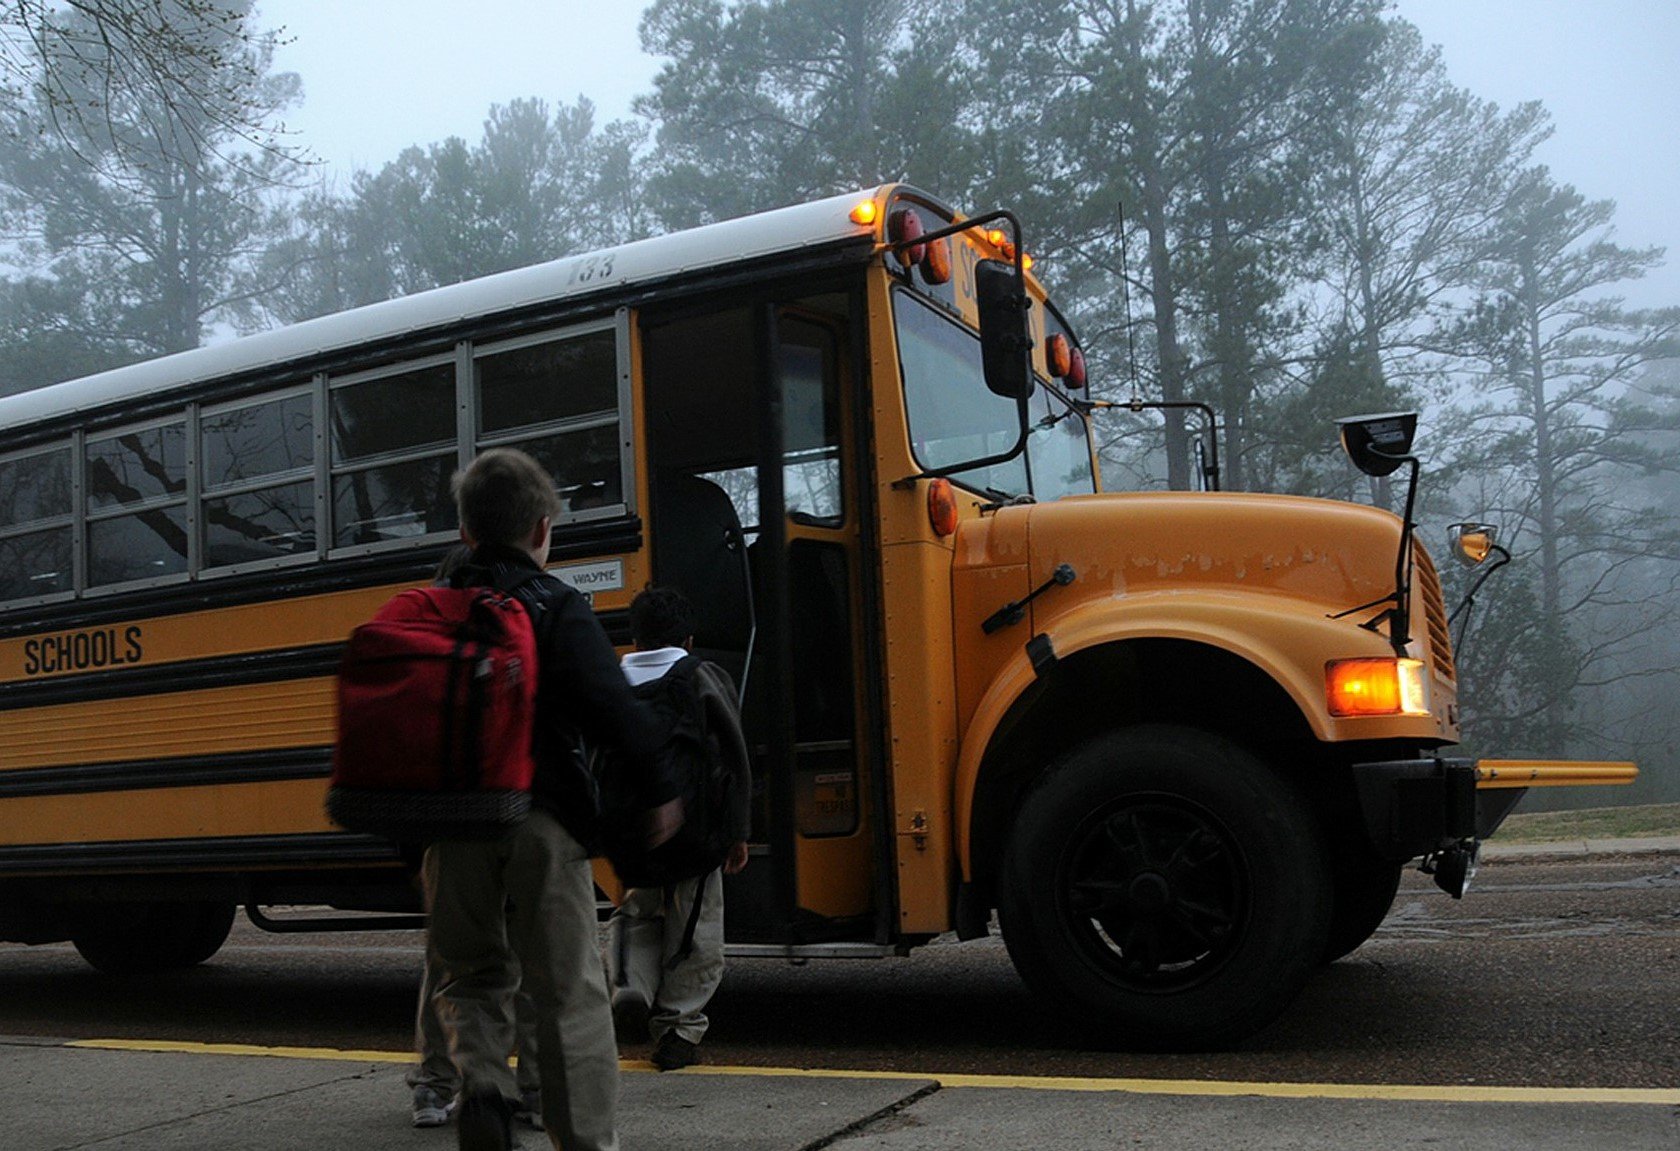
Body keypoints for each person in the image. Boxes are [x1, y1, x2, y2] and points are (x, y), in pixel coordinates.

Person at [426, 448, 680, 1151]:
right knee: (570, 992)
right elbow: (613, 708)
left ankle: (481, 1085)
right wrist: (659, 790)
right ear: (542, 528)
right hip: (541, 818)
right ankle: (584, 1141)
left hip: (451, 827)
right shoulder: (555, 604)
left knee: (470, 975)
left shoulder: (432, 609)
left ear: (467, 531)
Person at [408, 542, 542, 1131]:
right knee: (538, 961)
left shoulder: (418, 638)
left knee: (452, 966)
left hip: (447, 827)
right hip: (523, 814)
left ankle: (436, 1086)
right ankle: (535, 1092)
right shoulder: (529, 620)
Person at [606, 586, 752, 1072]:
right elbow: (733, 755)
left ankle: (630, 985)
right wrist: (737, 831)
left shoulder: (611, 680)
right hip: (695, 831)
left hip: (632, 832)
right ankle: (679, 1031)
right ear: (687, 638)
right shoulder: (703, 676)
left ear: (635, 635)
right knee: (695, 925)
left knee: (638, 912)